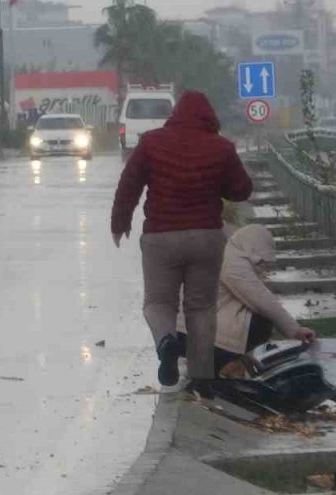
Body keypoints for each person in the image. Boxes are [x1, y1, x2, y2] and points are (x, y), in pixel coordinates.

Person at [111, 90, 254, 396]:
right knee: (201, 308)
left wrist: (119, 222)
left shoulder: (151, 142)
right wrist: (218, 179)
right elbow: (242, 190)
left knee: (158, 303)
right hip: (206, 238)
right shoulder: (221, 148)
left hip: (161, 237)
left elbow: (129, 184)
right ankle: (202, 380)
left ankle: (166, 341)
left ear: (174, 114)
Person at [215, 225, 317, 376]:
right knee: (260, 322)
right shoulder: (233, 263)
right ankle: (220, 364)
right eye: (260, 259)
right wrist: (295, 330)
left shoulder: (229, 254)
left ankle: (229, 360)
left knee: (250, 319)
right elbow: (261, 301)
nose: (261, 265)